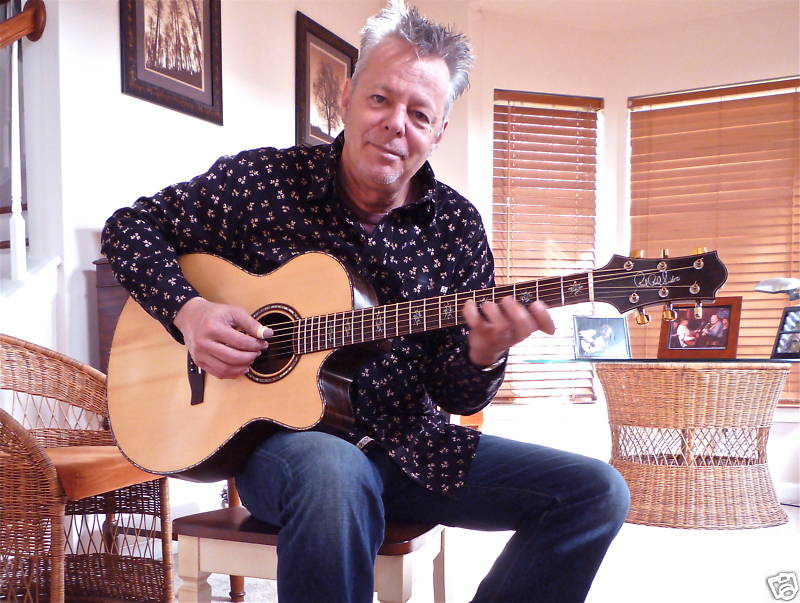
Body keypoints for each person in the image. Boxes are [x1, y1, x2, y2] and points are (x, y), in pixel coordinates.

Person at [101, 3, 629, 601]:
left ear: (439, 132)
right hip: (285, 452)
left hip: (414, 449)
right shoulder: (263, 182)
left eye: (419, 113)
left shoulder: (457, 227)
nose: (396, 124)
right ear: (348, 97)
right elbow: (129, 228)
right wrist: (190, 313)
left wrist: (482, 354)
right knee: (335, 472)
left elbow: (457, 395)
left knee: (596, 492)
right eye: (380, 99)